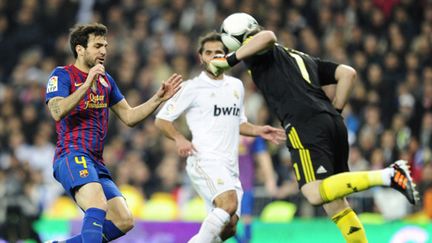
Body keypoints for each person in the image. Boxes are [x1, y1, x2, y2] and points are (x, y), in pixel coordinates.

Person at [209, 15, 418, 242]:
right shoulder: (302, 58)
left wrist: (228, 60)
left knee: (313, 193)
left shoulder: (259, 54)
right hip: (333, 123)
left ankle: (388, 175)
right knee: (336, 204)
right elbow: (348, 73)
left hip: (303, 123)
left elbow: (268, 37)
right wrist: (334, 111)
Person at [44, 23, 182, 243]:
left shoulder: (106, 80)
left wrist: (158, 99)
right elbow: (57, 111)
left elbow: (129, 117)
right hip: (71, 155)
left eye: (105, 46)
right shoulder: (62, 75)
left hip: (96, 162)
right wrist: (86, 84)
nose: (104, 51)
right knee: (97, 204)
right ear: (80, 49)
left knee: (124, 220)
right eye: (97, 45)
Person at [154, 32, 285, 243]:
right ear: (201, 57)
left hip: (230, 166)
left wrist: (258, 130)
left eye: (219, 52)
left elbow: (239, 123)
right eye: (209, 53)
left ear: (226, 55)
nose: (214, 56)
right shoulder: (192, 87)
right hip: (204, 159)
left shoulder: (236, 87)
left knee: (229, 227)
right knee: (228, 205)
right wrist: (179, 139)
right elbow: (161, 119)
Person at [235, 136, 277, 243]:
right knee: (225, 219)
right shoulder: (221, 131)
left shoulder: (251, 135)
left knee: (246, 216)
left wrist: (270, 179)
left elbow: (263, 155)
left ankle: (244, 240)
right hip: (224, 184)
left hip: (245, 185)